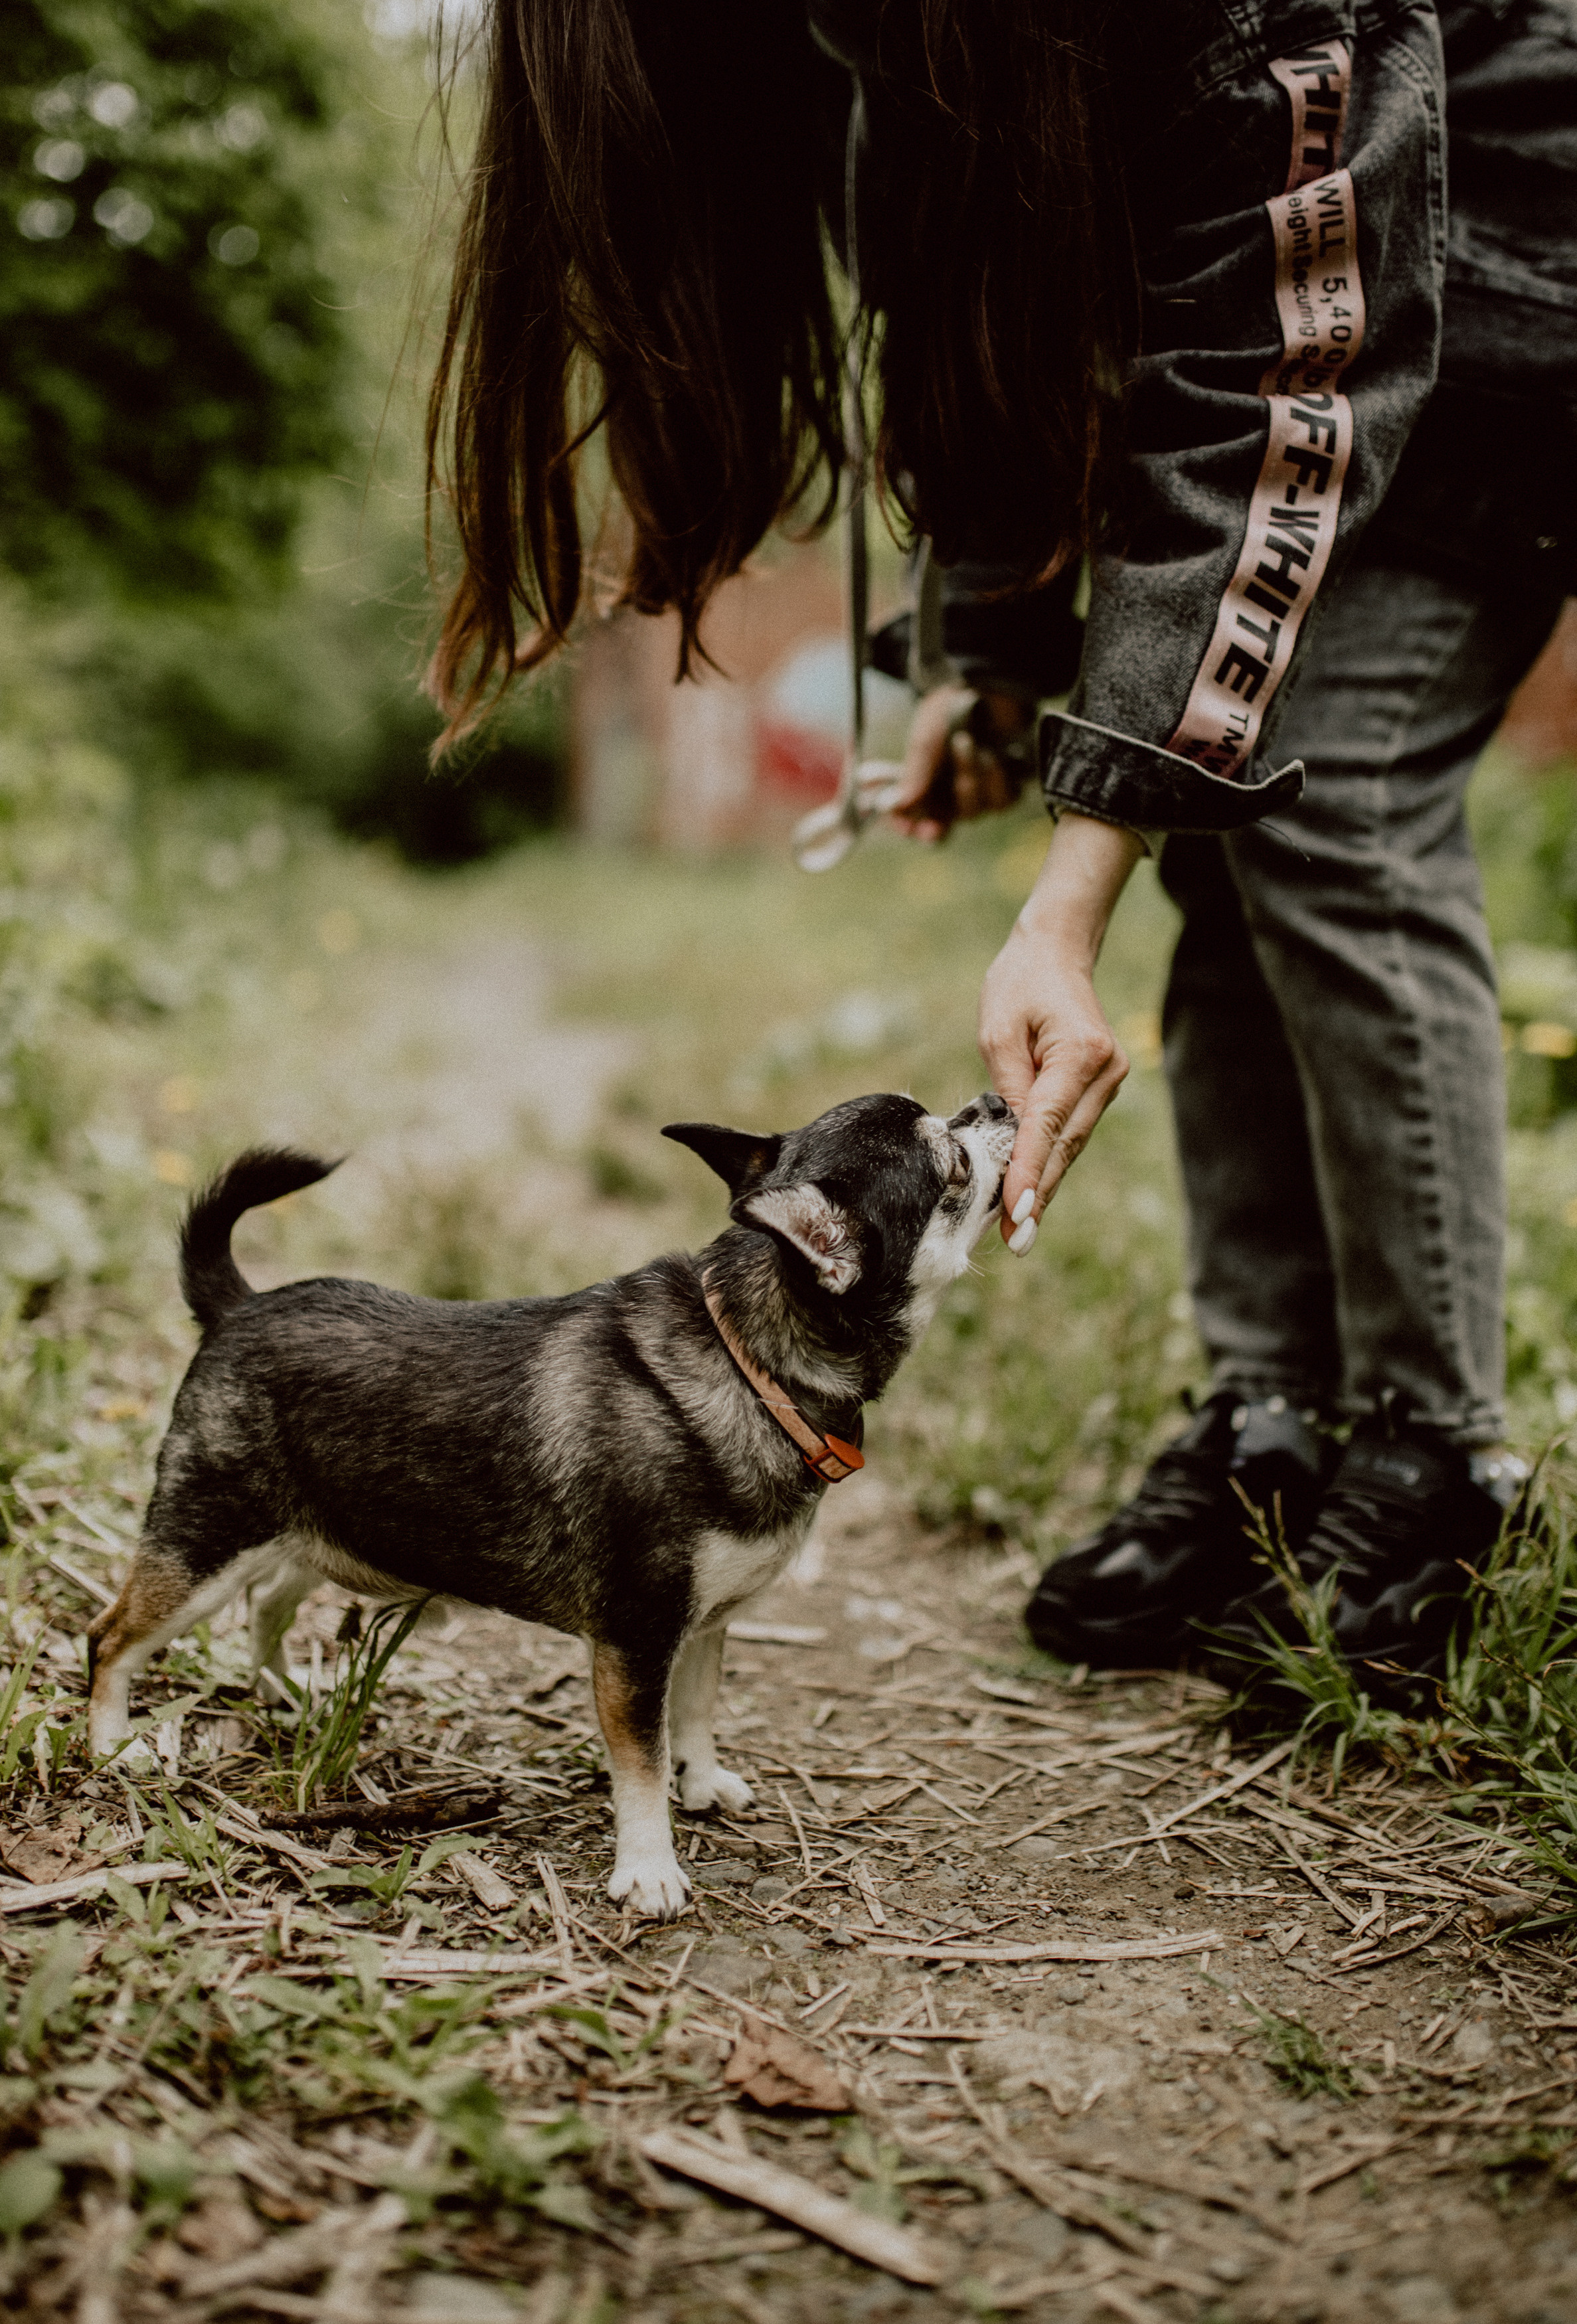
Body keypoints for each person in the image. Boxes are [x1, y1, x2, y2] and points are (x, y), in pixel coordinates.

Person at [424, 0, 1576, 1692]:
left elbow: (1264, 358)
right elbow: (978, 283)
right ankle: (1276, 1427)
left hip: (1503, 275)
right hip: (1297, 302)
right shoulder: (884, 39)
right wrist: (991, 652)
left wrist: (1069, 895)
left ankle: (1438, 1460)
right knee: (1236, 836)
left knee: (1339, 797)